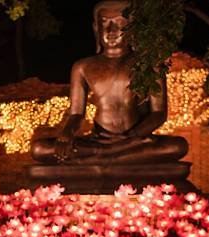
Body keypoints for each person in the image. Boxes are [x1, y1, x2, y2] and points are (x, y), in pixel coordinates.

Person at [31, 0, 188, 166]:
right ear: (96, 28)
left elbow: (159, 114)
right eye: (104, 23)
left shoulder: (149, 64)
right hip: (100, 141)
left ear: (131, 27)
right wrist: (67, 132)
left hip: (134, 139)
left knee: (178, 146)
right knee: (39, 149)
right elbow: (76, 114)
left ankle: (102, 159)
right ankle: (111, 156)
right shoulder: (82, 67)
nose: (111, 30)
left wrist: (133, 136)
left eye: (119, 23)